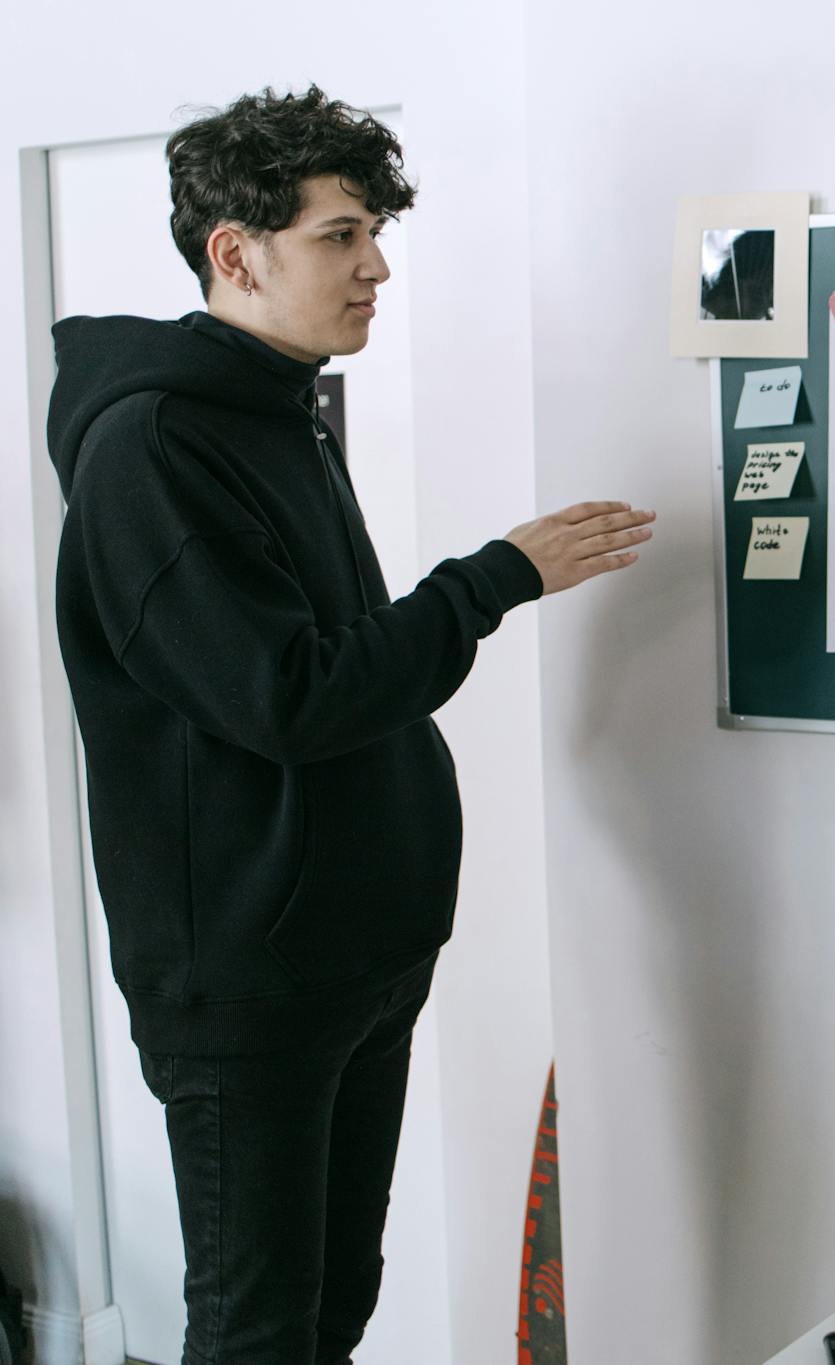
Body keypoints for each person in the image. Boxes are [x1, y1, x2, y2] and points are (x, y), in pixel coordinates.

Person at [45, 85, 654, 1364]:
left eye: (373, 231)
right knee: (260, 1332)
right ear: (235, 251)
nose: (376, 265)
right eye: (340, 236)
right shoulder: (150, 447)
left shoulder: (283, 408)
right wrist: (497, 576)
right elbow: (289, 696)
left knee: (331, 1312)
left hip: (356, 959)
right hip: (248, 985)